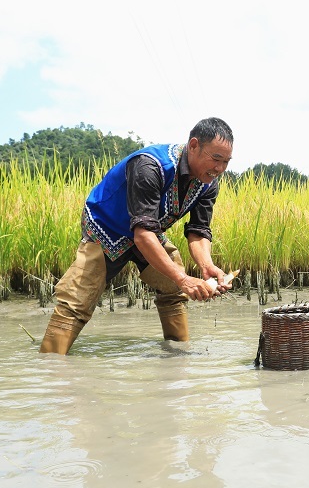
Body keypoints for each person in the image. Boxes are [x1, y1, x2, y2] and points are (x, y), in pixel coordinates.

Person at [39, 117, 235, 355]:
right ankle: (50, 363)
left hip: (150, 230)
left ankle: (178, 358)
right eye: (216, 159)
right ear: (193, 145)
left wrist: (207, 266)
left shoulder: (208, 183)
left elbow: (198, 231)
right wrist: (184, 279)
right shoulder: (150, 166)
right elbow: (142, 236)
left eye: (226, 161)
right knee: (77, 301)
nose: (220, 169)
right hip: (107, 227)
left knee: (173, 291)